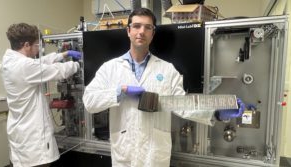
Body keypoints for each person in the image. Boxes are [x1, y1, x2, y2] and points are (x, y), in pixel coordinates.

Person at [83, 8, 244, 167]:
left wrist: (216, 111)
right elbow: (89, 101)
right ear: (128, 31)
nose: (141, 31)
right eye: (137, 26)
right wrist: (120, 92)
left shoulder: (167, 69)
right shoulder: (110, 68)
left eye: (148, 27)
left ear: (153, 34)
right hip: (125, 154)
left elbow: (182, 105)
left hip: (154, 155)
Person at [0, 23, 81, 167]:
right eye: (37, 45)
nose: (39, 49)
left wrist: (64, 54)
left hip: (20, 134)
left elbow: (38, 63)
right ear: (26, 45)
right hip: (32, 142)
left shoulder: (10, 61)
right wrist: (78, 65)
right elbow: (58, 71)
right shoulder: (24, 67)